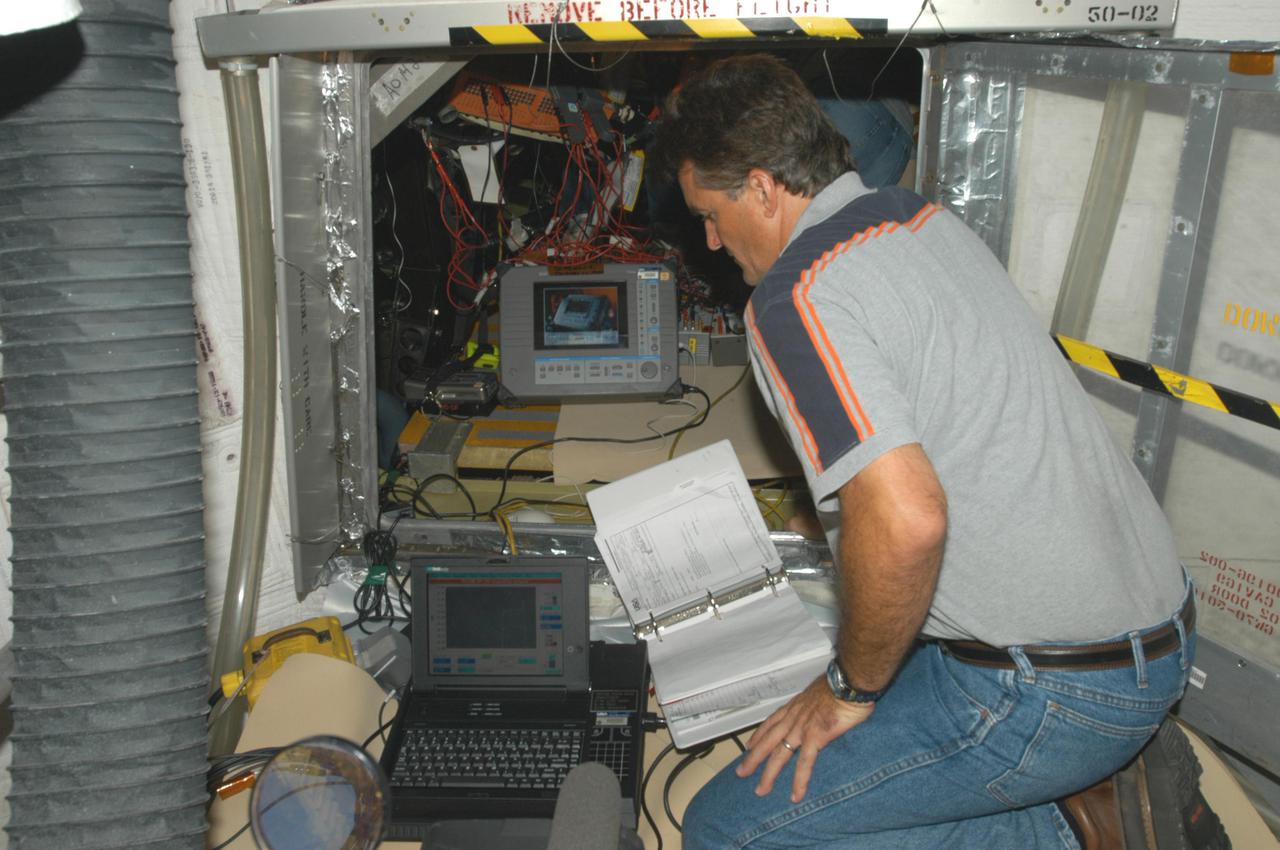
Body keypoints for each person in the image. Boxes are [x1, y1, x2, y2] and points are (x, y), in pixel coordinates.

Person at [653, 53, 1195, 850]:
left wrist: (848, 687)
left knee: (731, 827)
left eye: (709, 211)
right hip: (1157, 635)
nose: (708, 238)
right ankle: (1086, 795)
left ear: (763, 188)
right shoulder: (919, 219)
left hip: (1056, 691)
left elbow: (908, 522)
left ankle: (1065, 836)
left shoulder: (795, 297)